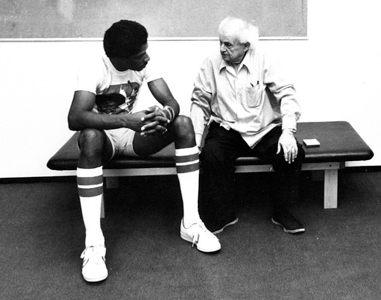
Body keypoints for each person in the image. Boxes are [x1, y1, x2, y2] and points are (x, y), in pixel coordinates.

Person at [68, 20, 220, 283]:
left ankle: (191, 223)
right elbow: (75, 118)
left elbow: (172, 102)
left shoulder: (145, 64)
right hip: (105, 138)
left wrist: (164, 115)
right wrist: (127, 120)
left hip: (133, 135)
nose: (146, 57)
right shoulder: (94, 67)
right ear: (120, 57)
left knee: (182, 123)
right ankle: (94, 245)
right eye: (140, 54)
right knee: (89, 137)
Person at [190, 17, 306, 236]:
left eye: (228, 45)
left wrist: (288, 132)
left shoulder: (265, 59)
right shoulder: (211, 62)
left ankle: (282, 212)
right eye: (220, 43)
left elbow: (287, 94)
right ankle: (223, 215)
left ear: (246, 46)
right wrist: (195, 140)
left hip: (262, 129)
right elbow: (199, 102)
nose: (222, 49)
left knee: (292, 153)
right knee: (211, 155)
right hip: (227, 128)